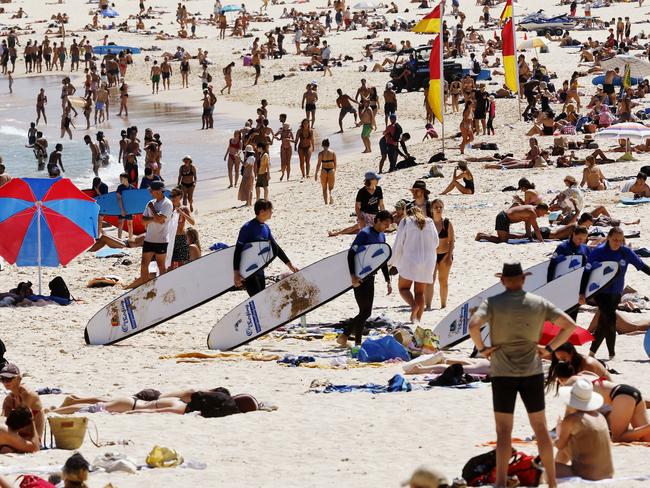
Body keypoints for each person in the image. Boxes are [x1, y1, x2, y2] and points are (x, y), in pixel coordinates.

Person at [468, 262, 578, 488]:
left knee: (503, 431)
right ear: (523, 279)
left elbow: (473, 326)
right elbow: (569, 325)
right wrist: (549, 349)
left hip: (502, 372)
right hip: (532, 371)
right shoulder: (538, 303)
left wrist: (482, 348)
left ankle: (500, 481)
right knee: (540, 428)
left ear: (502, 281)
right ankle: (553, 482)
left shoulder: (493, 303)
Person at [585, 227, 650, 359]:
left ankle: (598, 352)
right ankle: (607, 353)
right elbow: (586, 273)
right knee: (609, 318)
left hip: (616, 292)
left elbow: (642, 266)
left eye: (620, 240)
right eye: (615, 240)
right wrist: (582, 293)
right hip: (600, 292)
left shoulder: (625, 252)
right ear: (608, 237)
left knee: (606, 320)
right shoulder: (598, 251)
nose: (617, 243)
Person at [337, 210, 393, 346]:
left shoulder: (382, 237)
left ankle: (345, 336)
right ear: (378, 220)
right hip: (359, 277)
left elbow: (382, 260)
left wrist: (387, 280)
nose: (387, 227)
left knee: (366, 312)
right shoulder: (364, 233)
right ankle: (356, 342)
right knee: (364, 312)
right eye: (385, 224)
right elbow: (351, 254)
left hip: (371, 277)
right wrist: (353, 276)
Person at [554, 365, 650, 442]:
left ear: (559, 379)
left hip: (620, 396)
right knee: (646, 438)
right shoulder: (584, 374)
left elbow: (569, 412)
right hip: (629, 390)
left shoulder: (571, 384)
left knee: (618, 438)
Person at [233, 199, 298, 296]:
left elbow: (276, 248)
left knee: (262, 298)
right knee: (257, 298)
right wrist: (236, 274)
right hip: (248, 272)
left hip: (260, 270)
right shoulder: (247, 228)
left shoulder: (265, 228)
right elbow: (238, 251)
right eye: (270, 210)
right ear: (262, 211)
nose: (272, 212)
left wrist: (290, 265)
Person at [554, 379, 614, 481]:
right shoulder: (599, 416)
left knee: (545, 466)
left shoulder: (571, 419)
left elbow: (560, 445)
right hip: (607, 473)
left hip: (586, 474)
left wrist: (555, 436)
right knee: (567, 443)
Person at [390, 205, 438, 323]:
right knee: (419, 292)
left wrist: (392, 262)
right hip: (427, 261)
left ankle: (413, 306)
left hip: (410, 259)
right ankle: (417, 319)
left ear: (408, 213)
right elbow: (436, 242)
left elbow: (399, 243)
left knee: (403, 288)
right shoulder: (430, 222)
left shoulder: (405, 221)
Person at [128, 181, 173, 289]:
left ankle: (163, 287)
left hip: (161, 240)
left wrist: (152, 209)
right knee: (144, 265)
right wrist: (154, 218)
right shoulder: (150, 202)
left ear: (158, 191)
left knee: (161, 266)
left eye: (151, 190)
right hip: (149, 239)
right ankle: (145, 287)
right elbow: (143, 221)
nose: (150, 192)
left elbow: (160, 219)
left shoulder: (167, 204)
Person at [329, 172, 384, 237]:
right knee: (356, 228)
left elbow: (381, 204)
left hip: (375, 214)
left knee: (381, 228)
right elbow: (357, 207)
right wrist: (360, 218)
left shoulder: (378, 189)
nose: (378, 180)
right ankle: (337, 233)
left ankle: (339, 232)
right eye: (376, 179)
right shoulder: (362, 192)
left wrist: (383, 216)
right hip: (365, 215)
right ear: (370, 180)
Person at [1, 364, 44, 439]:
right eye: (2, 379)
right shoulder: (9, 399)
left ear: (18, 378)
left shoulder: (28, 394)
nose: (5, 382)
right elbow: (3, 420)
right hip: (19, 438)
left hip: (33, 439)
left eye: (9, 378)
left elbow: (20, 420)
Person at [546, 342, 611, 391]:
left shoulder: (588, 364)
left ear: (571, 353)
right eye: (559, 359)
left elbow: (591, 387)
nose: (562, 362)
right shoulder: (572, 363)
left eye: (564, 358)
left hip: (604, 390)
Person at [476, 204, 550, 243]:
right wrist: (541, 241)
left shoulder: (531, 208)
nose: (543, 215)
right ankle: (481, 235)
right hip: (503, 218)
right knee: (502, 241)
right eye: (543, 213)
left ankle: (482, 235)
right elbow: (536, 229)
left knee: (508, 237)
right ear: (540, 209)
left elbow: (528, 223)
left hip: (504, 218)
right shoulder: (532, 213)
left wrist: (529, 236)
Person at [428, 199, 454, 310]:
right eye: (436, 207)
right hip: (431, 256)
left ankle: (443, 305)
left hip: (444, 255)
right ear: (431, 209)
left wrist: (449, 256)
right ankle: (428, 305)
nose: (438, 209)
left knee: (443, 280)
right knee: (430, 281)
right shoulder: (428, 224)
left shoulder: (447, 223)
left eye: (440, 207)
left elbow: (451, 240)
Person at [169, 187, 196, 269]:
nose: (172, 198)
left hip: (181, 237)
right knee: (170, 261)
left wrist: (182, 213)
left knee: (183, 261)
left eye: (174, 195)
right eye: (171, 196)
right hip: (171, 238)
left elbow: (192, 222)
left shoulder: (184, 208)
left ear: (180, 196)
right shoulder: (169, 208)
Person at [314, 139, 336, 204]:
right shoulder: (333, 152)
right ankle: (331, 197)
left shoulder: (321, 153)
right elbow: (335, 163)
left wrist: (316, 173)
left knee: (324, 187)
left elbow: (318, 164)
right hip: (331, 170)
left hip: (324, 170)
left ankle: (326, 202)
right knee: (331, 186)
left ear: (322, 145)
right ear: (328, 145)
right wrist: (334, 171)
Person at [116, 173, 135, 241]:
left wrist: (134, 211)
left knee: (130, 224)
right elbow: (119, 198)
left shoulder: (132, 187)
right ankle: (119, 239)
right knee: (120, 223)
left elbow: (134, 200)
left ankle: (130, 239)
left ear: (126, 179)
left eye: (122, 178)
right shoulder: (120, 187)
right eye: (120, 178)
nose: (120, 180)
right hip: (121, 207)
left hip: (130, 209)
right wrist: (122, 210)